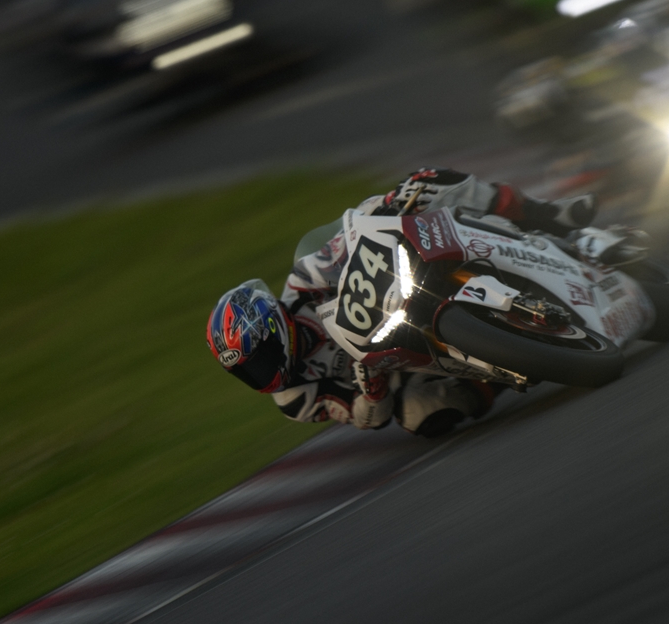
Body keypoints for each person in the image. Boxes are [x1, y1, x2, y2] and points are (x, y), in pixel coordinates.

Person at [206, 168, 598, 437]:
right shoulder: (295, 398)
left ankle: (547, 214)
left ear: (273, 326)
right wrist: (372, 390)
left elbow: (346, 237)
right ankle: (515, 367)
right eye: (248, 371)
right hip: (402, 362)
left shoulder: (304, 281)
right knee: (419, 416)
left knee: (427, 183)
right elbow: (368, 419)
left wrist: (387, 206)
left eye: (259, 359)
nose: (261, 373)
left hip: (402, 284)